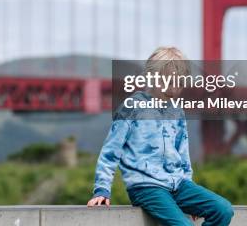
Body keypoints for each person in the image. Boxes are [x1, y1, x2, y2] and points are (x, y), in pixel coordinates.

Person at [87, 47, 234, 226]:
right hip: (146, 187)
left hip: (178, 185)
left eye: (181, 80)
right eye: (171, 79)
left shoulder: (177, 111)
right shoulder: (132, 107)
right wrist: (102, 190)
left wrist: (191, 199)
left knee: (224, 209)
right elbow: (110, 152)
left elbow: (183, 155)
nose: (176, 85)